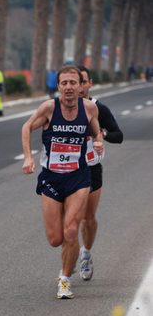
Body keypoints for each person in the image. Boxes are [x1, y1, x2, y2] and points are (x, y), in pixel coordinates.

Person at [22, 65, 103, 299]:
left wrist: (98, 142)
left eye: (73, 83)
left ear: (81, 87)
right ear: (58, 87)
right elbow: (26, 127)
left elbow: (97, 133)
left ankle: (65, 280)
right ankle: (68, 261)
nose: (69, 87)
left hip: (79, 177)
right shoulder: (49, 108)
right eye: (64, 83)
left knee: (70, 230)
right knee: (56, 239)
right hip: (51, 178)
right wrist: (28, 156)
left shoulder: (89, 108)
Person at [76, 65, 123, 280]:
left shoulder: (98, 108)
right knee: (68, 223)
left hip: (91, 168)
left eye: (83, 81)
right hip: (64, 170)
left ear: (89, 83)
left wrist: (100, 132)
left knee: (88, 219)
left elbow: (118, 135)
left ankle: (85, 254)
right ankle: (67, 267)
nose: (78, 86)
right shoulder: (57, 109)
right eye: (74, 81)